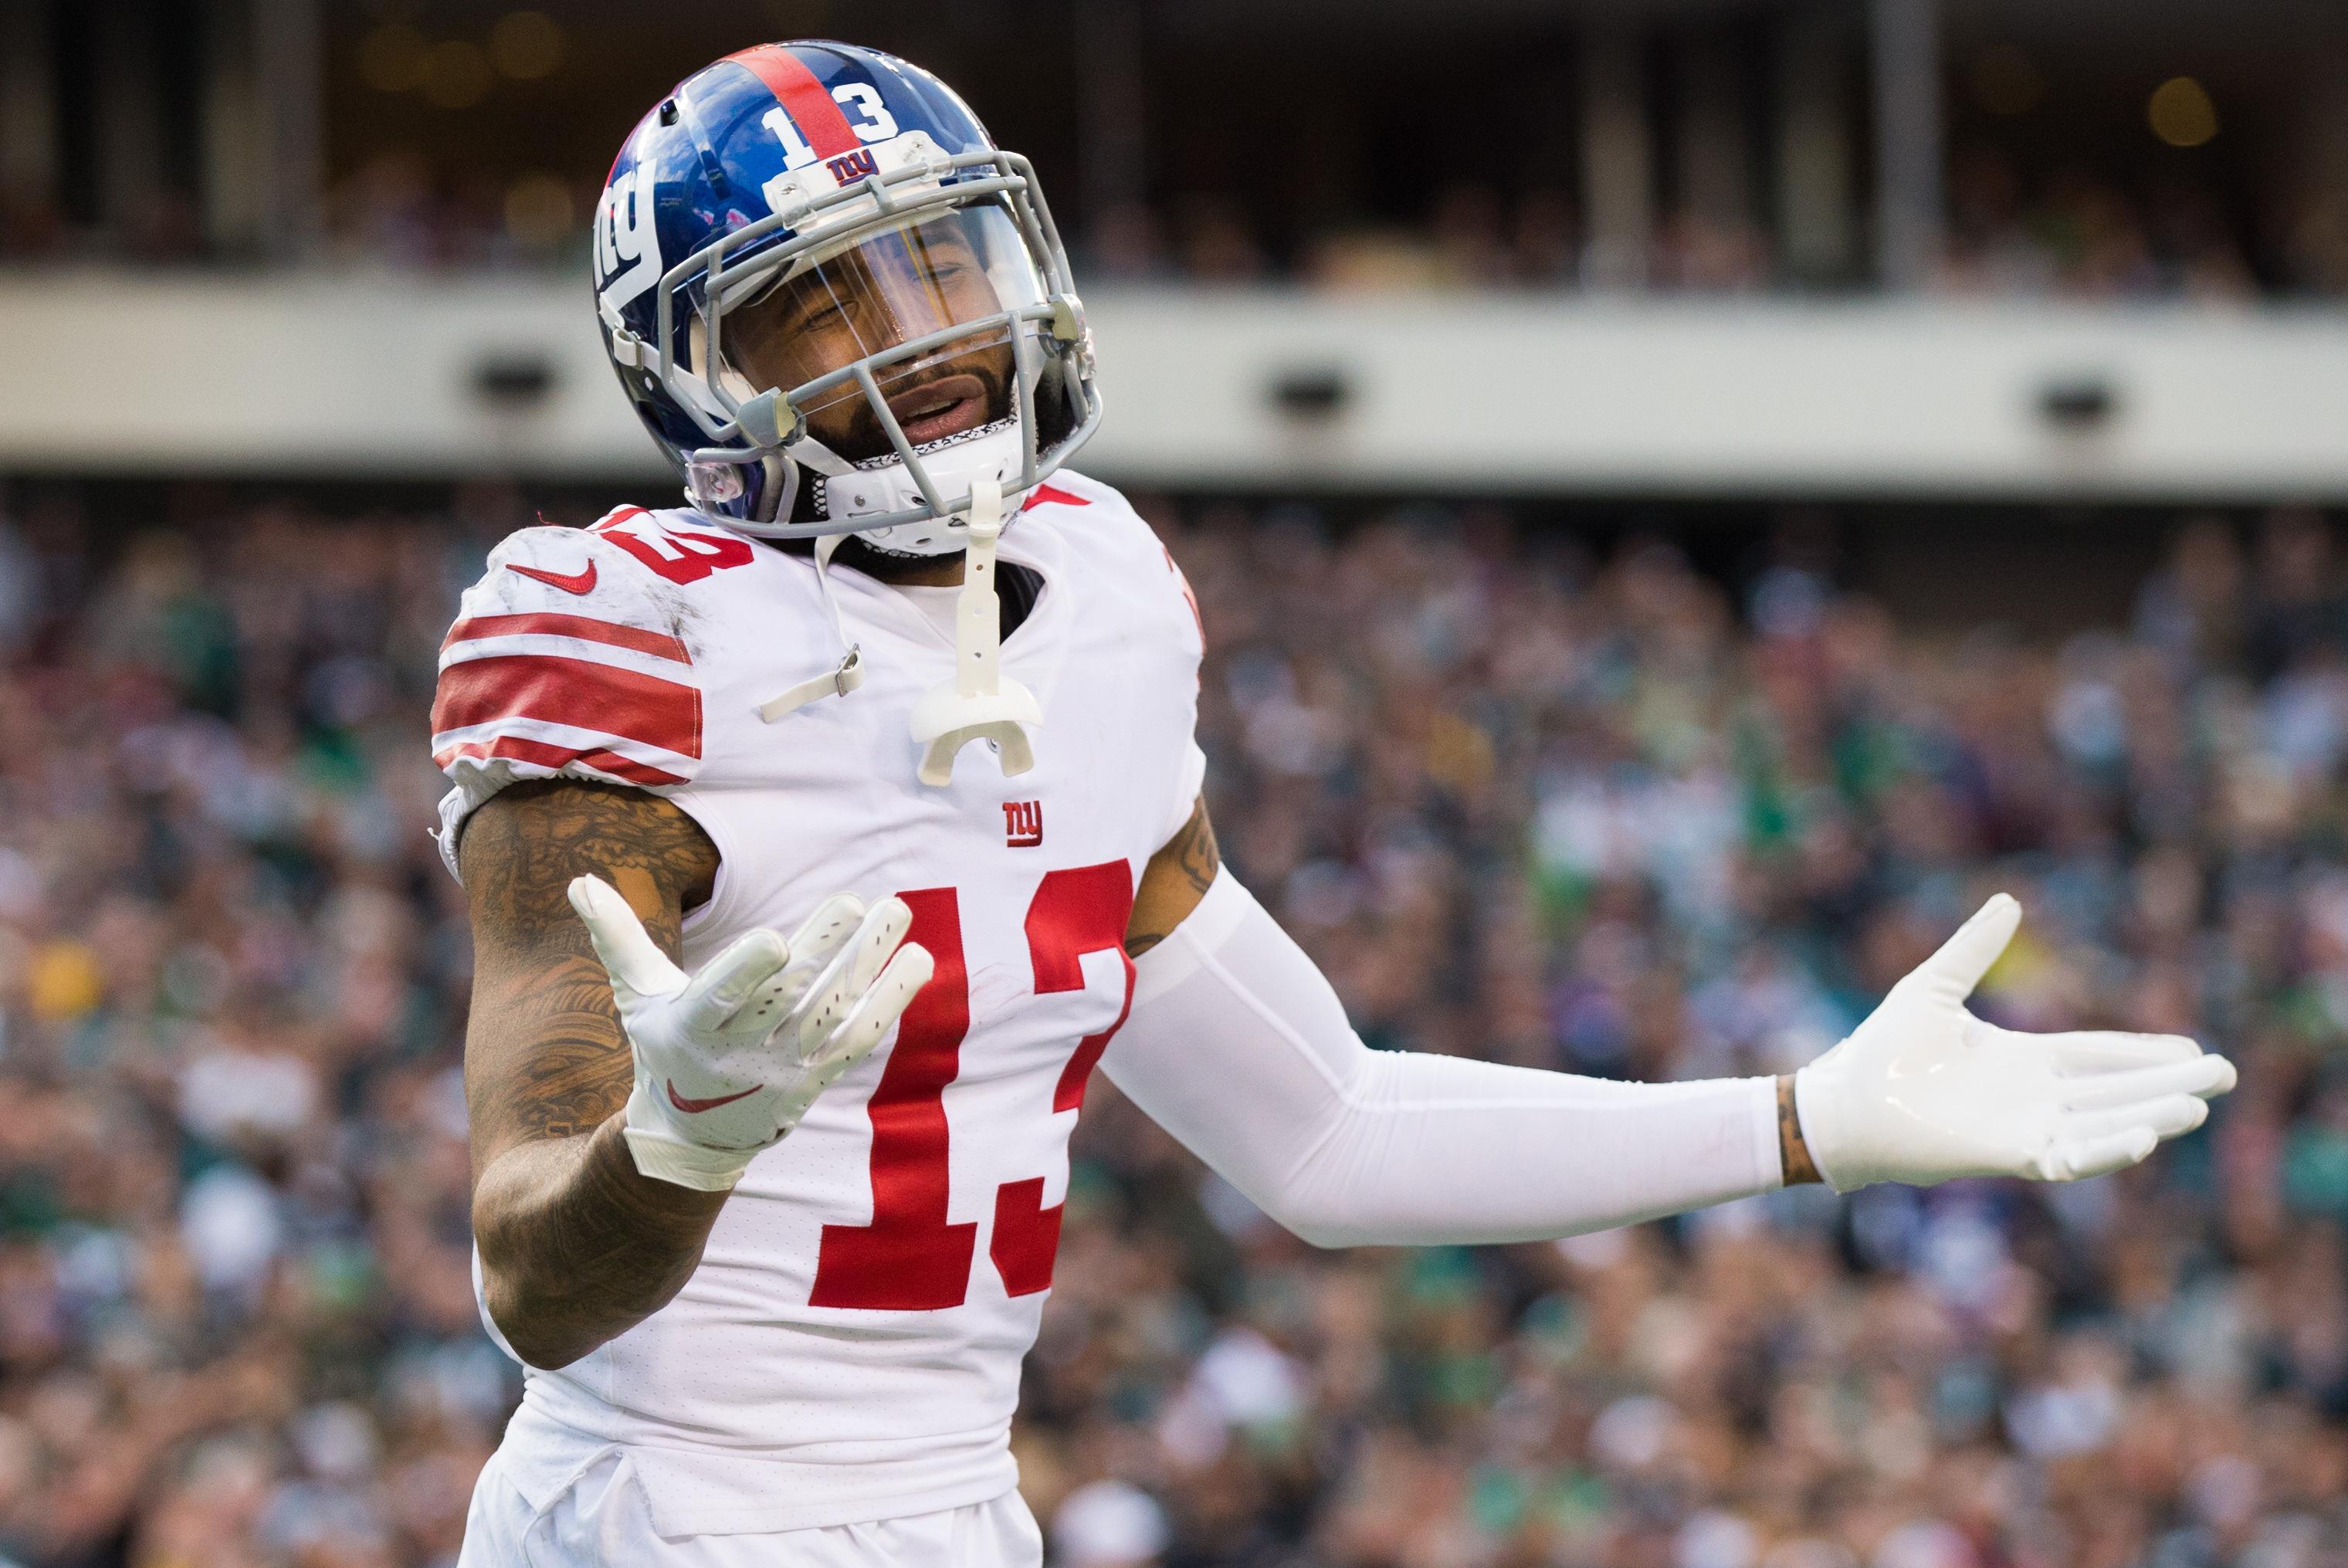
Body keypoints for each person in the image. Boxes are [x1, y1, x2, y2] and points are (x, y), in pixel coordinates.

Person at [436, 40, 2238, 1567]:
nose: (929, 338)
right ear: (695, 367)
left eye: (944, 266)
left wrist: (1799, 1118)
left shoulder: (1105, 593)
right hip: (659, 1507)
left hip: (960, 1507)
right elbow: (536, 1272)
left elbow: (1328, 1131)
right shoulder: (628, 632)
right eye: (823, 298)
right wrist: (678, 1139)